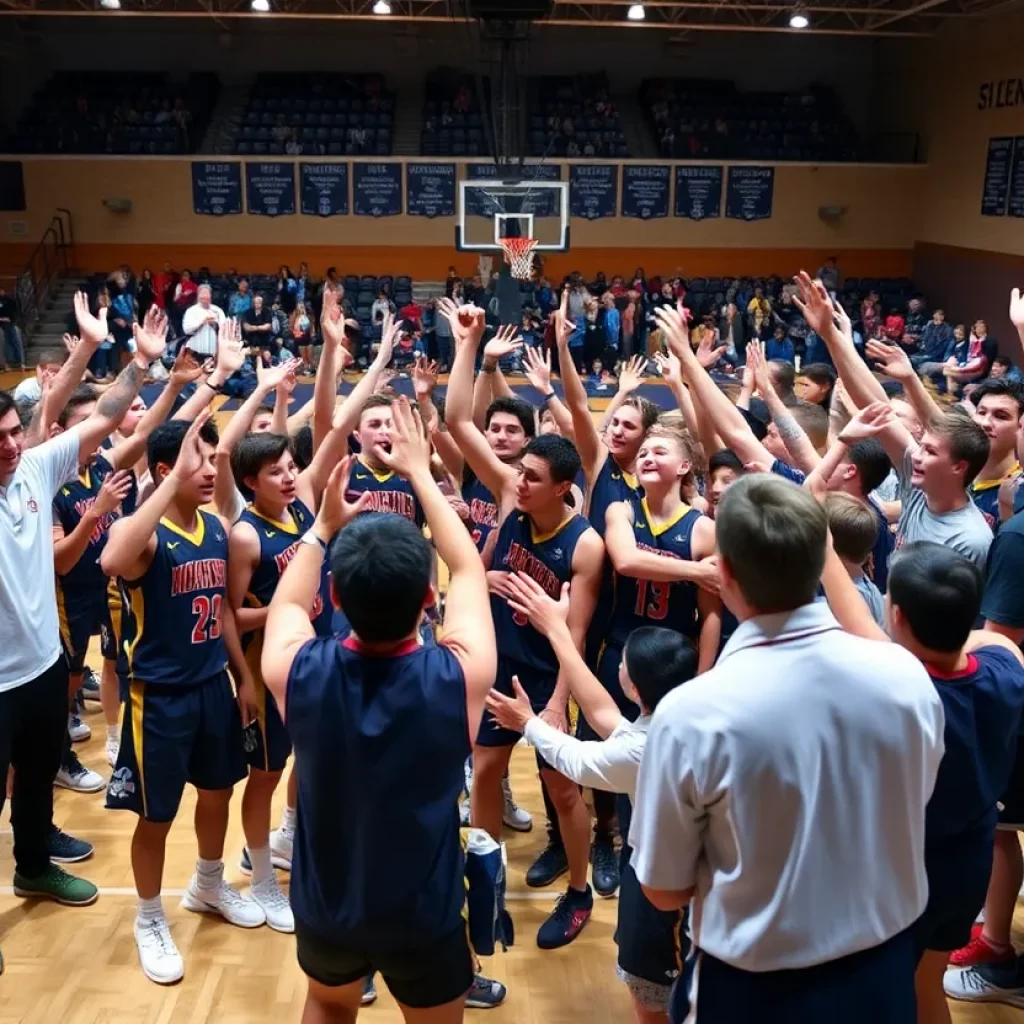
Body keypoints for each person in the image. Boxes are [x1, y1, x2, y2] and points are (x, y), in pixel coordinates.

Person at [630, 474, 945, 1023]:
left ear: (723, 574)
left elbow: (663, 891)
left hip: (755, 989)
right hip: (885, 971)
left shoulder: (690, 714)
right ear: (823, 559)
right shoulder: (905, 674)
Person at [261, 398, 497, 1024]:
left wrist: (320, 529)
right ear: (428, 598)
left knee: (329, 1007)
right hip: (423, 909)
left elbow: (287, 609)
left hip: (325, 901)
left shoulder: (297, 670)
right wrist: (420, 472)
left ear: (334, 596)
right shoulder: (458, 676)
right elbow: (470, 567)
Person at [0, 290, 166, 969]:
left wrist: (138, 360)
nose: (13, 445)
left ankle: (33, 865)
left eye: (15, 433)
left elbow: (99, 418)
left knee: (39, 775)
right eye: (2, 440)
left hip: (40, 665)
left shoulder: (34, 468)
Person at [486, 570, 698, 1024]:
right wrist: (559, 631)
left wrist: (525, 721)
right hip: (671, 868)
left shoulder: (645, 750)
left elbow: (578, 760)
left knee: (654, 997)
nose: (618, 663)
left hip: (666, 885)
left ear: (637, 688)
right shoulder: (676, 718)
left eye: (625, 663)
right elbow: (604, 713)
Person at [101, 414, 266, 985]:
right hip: (158, 698)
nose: (215, 465)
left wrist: (242, 675)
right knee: (155, 815)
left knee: (218, 791)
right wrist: (163, 484)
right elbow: (111, 562)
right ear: (169, 471)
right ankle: (148, 916)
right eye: (204, 457)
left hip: (212, 686)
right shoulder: (145, 534)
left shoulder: (217, 527)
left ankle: (208, 883)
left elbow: (220, 610)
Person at [867, 544, 1024, 1024]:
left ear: (896, 615)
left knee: (890, 990)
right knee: (925, 985)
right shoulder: (1007, 670)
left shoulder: (903, 696)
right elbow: (994, 644)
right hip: (967, 863)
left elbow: (866, 636)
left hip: (908, 871)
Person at [603, 420, 721, 682]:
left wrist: (703, 677)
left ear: (684, 466)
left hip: (674, 656)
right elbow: (626, 561)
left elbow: (710, 615)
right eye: (643, 453)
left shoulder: (703, 530)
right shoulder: (622, 510)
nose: (648, 458)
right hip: (620, 648)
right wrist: (696, 571)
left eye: (660, 452)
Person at [966, 377, 1024, 531]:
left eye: (1000, 416)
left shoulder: (1018, 494)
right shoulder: (955, 470)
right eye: (981, 412)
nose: (984, 423)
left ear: (1021, 427)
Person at [181, 284, 225, 359]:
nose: (205, 296)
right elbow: (186, 329)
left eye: (207, 294)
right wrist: (202, 323)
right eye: (202, 294)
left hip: (214, 351)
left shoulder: (217, 310)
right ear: (198, 296)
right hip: (195, 350)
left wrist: (215, 324)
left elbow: (224, 328)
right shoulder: (191, 310)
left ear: (210, 296)